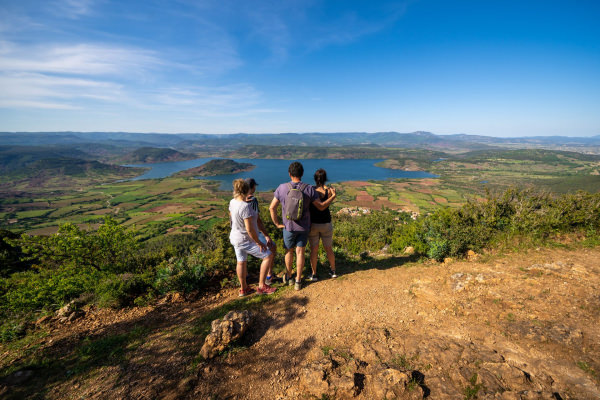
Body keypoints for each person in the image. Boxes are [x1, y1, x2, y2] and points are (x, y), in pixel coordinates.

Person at [269, 162, 336, 290]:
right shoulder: (308, 189)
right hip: (304, 227)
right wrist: (333, 196)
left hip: (288, 227)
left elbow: (272, 208)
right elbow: (321, 206)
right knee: (300, 252)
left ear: (289, 174)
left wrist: (277, 223)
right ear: (302, 174)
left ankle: (289, 277)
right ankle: (298, 281)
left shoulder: (282, 188)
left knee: (289, 251)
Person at [229, 179, 276, 296]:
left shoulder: (232, 202)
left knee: (241, 262)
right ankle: (262, 286)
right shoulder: (245, 207)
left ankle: (244, 289)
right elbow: (249, 229)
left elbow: (231, 218)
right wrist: (259, 243)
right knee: (268, 255)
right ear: (247, 190)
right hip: (244, 239)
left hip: (235, 237)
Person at [244, 178, 278, 285]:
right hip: (253, 233)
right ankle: (269, 276)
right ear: (253, 187)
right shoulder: (252, 200)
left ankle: (245, 278)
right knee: (271, 247)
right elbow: (258, 220)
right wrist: (266, 235)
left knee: (241, 258)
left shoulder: (236, 200)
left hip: (240, 234)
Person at [308, 169, 337, 280]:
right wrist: (333, 196)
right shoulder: (329, 191)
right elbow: (325, 206)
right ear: (325, 178)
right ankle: (333, 271)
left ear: (315, 179)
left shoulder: (311, 190)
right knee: (328, 248)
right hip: (326, 223)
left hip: (314, 224)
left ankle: (314, 274)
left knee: (314, 249)